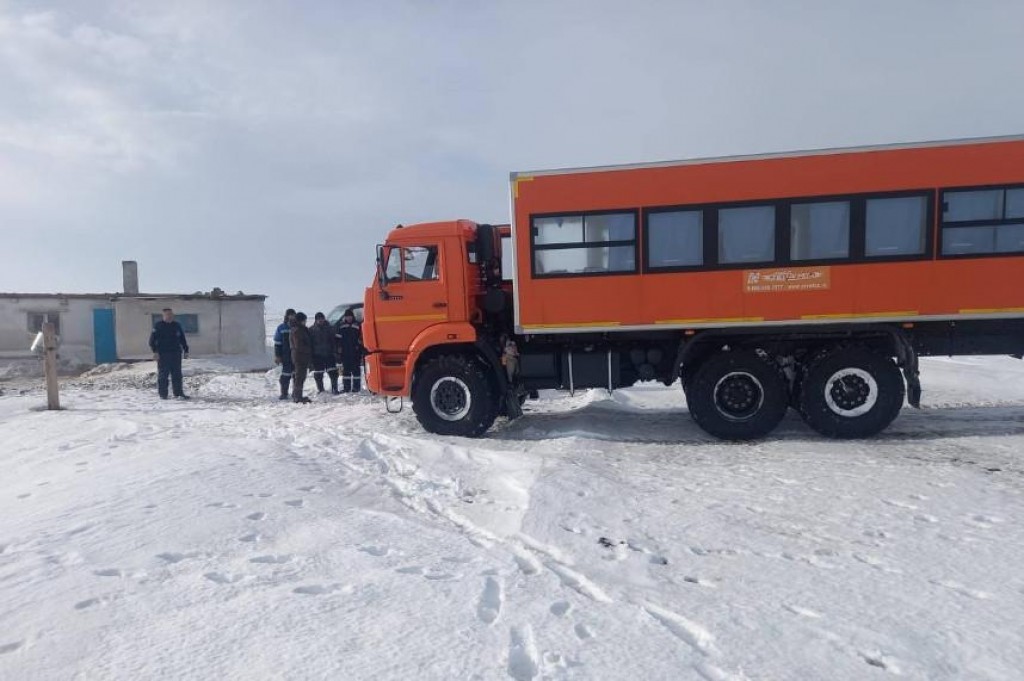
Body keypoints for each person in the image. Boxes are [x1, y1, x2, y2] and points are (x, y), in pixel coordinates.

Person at [149, 307, 190, 400]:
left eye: (171, 314)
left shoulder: (177, 325)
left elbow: (182, 339)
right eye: (168, 314)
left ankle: (178, 393)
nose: (170, 316)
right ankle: (163, 394)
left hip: (176, 353)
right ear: (163, 315)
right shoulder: (158, 326)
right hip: (163, 354)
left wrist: (186, 350)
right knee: (163, 375)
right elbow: (152, 341)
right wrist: (155, 352)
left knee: (177, 374)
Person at [334, 308, 364, 393]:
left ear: (353, 316)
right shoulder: (341, 326)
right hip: (345, 352)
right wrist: (338, 347)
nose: (349, 318)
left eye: (350, 316)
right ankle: (346, 388)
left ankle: (356, 388)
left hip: (356, 352)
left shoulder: (358, 325)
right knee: (346, 371)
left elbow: (362, 337)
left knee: (356, 370)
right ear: (345, 317)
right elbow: (337, 339)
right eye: (347, 316)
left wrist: (360, 346)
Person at [310, 312, 340, 394]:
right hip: (317, 355)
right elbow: (310, 344)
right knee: (318, 374)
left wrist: (335, 351)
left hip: (329, 354)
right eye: (319, 319)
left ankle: (335, 389)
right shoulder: (311, 330)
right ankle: (321, 390)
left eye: (322, 318)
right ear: (316, 320)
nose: (320, 320)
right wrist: (311, 356)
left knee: (333, 372)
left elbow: (334, 341)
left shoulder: (330, 328)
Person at [290, 311, 313, 403]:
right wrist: (309, 349)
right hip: (299, 357)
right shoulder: (297, 330)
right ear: (300, 321)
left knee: (300, 377)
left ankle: (296, 395)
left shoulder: (301, 329)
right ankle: (297, 397)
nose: (305, 322)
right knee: (299, 377)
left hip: (301, 356)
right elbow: (299, 345)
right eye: (304, 320)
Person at [273, 309, 296, 400]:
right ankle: (284, 393)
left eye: (293, 315)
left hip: (296, 355)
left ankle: (296, 393)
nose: (292, 317)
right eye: (290, 315)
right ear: (286, 316)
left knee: (296, 375)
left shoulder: (298, 327)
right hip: (286, 356)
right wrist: (277, 355)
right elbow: (277, 343)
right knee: (285, 375)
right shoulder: (281, 328)